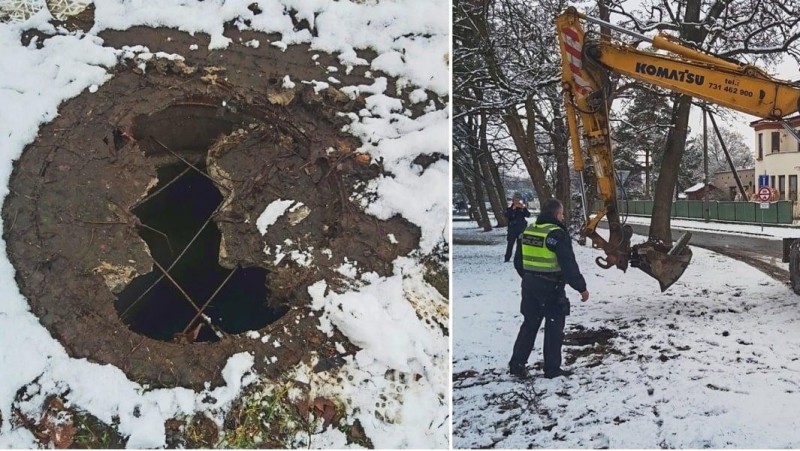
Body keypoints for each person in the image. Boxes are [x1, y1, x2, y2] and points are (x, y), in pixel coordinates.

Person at [509, 198, 589, 379]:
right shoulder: (556, 235)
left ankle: (517, 365)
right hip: (551, 287)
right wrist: (581, 288)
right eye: (561, 214)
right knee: (554, 329)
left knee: (529, 325)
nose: (562, 217)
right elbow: (569, 264)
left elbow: (518, 262)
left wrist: (530, 276)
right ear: (555, 214)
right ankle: (552, 369)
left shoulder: (528, 231)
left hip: (529, 286)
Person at [504, 195, 530, 262]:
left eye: (518, 201)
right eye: (515, 201)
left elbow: (528, 215)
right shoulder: (510, 209)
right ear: (513, 201)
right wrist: (513, 209)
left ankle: (519, 258)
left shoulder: (522, 208)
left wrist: (523, 208)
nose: (517, 202)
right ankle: (507, 258)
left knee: (520, 245)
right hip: (512, 230)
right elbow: (507, 215)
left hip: (521, 229)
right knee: (510, 244)